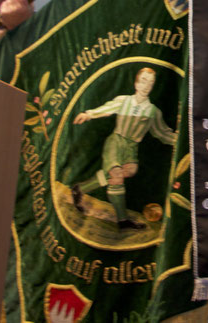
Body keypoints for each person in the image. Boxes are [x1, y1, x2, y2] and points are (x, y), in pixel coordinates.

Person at [71, 67, 177, 230]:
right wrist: (88, 114)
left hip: (131, 147)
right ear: (136, 83)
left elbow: (162, 133)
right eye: (143, 81)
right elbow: (107, 109)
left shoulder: (153, 111)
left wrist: (178, 140)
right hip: (116, 141)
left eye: (150, 83)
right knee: (116, 175)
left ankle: (80, 188)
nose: (146, 86)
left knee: (129, 170)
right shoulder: (124, 101)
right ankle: (123, 220)